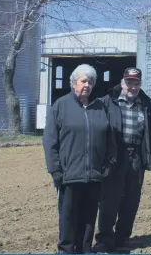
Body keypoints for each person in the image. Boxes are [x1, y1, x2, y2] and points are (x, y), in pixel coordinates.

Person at [42, 63, 117, 253]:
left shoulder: (100, 107)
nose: (87, 85)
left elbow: (110, 140)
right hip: (69, 176)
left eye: (91, 82)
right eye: (84, 81)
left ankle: (84, 249)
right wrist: (56, 171)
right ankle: (66, 250)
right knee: (68, 218)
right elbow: (50, 142)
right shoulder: (61, 105)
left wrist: (108, 165)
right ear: (74, 83)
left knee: (89, 218)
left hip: (94, 175)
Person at [94, 67, 151, 252]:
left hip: (136, 157)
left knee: (131, 200)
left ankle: (122, 238)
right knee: (110, 199)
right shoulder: (108, 102)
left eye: (136, 83)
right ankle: (104, 239)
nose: (132, 86)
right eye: (129, 82)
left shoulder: (146, 105)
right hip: (114, 157)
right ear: (122, 83)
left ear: (140, 84)